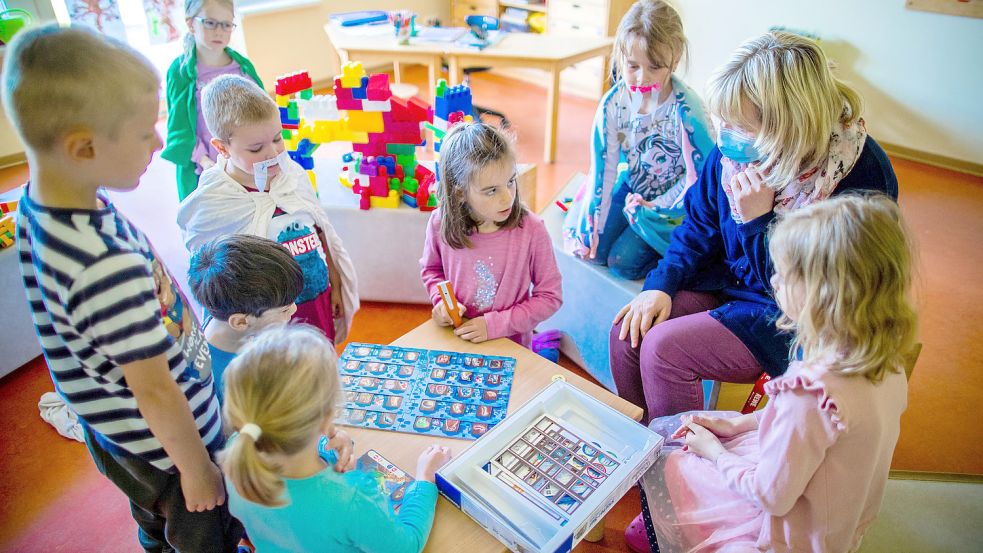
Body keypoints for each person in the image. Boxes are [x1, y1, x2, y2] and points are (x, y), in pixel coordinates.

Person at [3, 25, 242, 550]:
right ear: (83, 147)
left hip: (115, 432)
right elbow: (155, 390)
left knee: (152, 518)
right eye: (143, 133)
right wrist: (197, 468)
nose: (159, 142)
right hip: (168, 447)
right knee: (201, 528)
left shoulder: (40, 201)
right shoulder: (103, 267)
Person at [610, 31, 899, 424]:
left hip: (790, 314)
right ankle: (644, 445)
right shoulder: (735, 154)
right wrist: (661, 283)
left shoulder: (859, 180)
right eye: (722, 122)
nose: (724, 137)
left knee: (663, 348)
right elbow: (698, 226)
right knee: (629, 331)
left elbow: (803, 297)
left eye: (739, 127)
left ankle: (680, 471)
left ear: (788, 126)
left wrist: (757, 222)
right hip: (730, 284)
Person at [630, 195, 916, 553]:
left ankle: (673, 529)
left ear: (822, 294)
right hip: (839, 522)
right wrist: (739, 425)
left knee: (669, 452)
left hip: (787, 536)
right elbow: (821, 428)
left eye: (784, 274)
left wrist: (715, 451)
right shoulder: (885, 364)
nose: (774, 282)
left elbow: (770, 497)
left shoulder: (809, 391)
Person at [221, 325, 452, 553]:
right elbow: (406, 547)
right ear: (327, 417)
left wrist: (324, 447)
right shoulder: (351, 499)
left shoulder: (237, 451)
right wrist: (425, 480)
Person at [177, 74, 358, 344]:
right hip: (269, 316)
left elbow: (321, 232)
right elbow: (214, 279)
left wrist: (335, 282)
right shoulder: (213, 202)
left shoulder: (292, 175)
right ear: (221, 148)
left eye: (277, 138)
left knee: (321, 359)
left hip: (316, 296)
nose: (273, 153)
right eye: (256, 148)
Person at [563, 0, 713, 279]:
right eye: (633, 66)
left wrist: (656, 206)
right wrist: (592, 220)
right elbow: (604, 168)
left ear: (675, 60)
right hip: (631, 186)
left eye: (655, 67)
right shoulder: (614, 104)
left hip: (672, 205)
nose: (642, 78)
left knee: (622, 262)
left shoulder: (687, 112)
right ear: (621, 56)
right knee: (594, 250)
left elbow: (700, 179)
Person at [420, 122, 562, 347]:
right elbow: (431, 270)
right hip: (458, 337)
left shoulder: (533, 230)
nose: (508, 198)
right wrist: (442, 303)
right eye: (492, 190)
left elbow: (550, 297)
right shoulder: (439, 223)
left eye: (510, 181)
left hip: (511, 345)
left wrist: (494, 325)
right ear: (460, 194)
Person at [162, 0, 263, 200]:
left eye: (226, 24)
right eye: (210, 23)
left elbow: (261, 113)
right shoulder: (181, 71)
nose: (219, 31)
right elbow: (179, 128)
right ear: (191, 24)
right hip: (206, 168)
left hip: (245, 165)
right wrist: (206, 162)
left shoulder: (243, 67)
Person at [187, 234, 304, 404]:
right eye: (284, 309)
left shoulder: (224, 312)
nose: (294, 309)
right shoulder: (217, 381)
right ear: (241, 322)